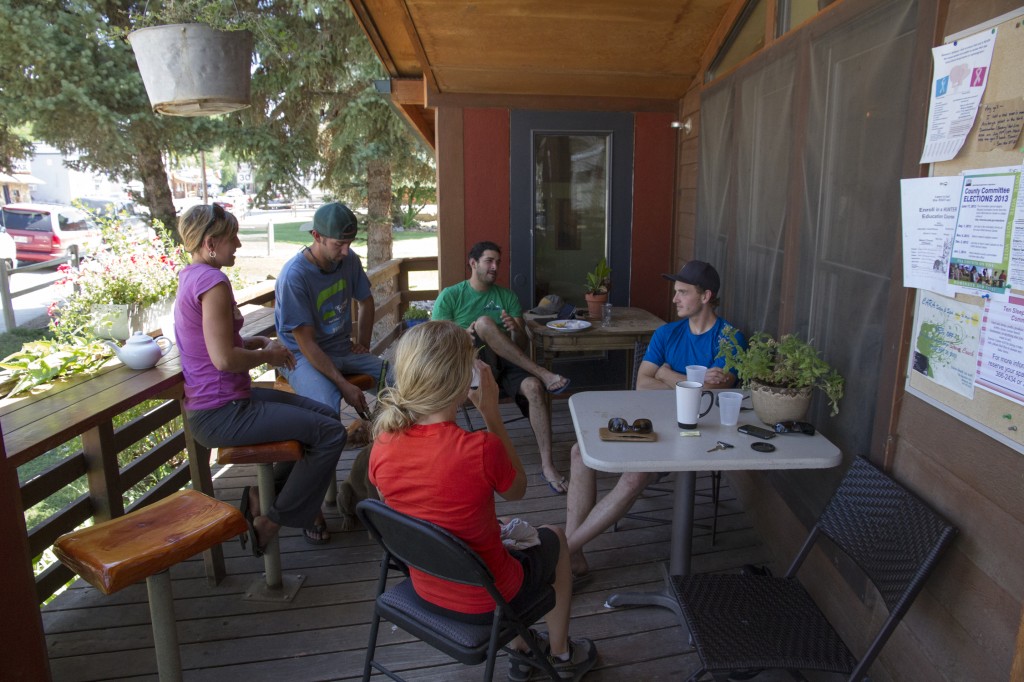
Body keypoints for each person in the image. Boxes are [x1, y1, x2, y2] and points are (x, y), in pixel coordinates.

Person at [369, 321, 598, 680]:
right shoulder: (478, 449)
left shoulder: (383, 442)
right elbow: (518, 490)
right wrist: (491, 413)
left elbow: (410, 511)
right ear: (463, 380)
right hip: (485, 598)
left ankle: (524, 647)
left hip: (425, 583)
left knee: (504, 528)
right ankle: (561, 654)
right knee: (556, 538)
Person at [175, 203, 347, 552]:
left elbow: (214, 344)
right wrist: (268, 354)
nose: (237, 244)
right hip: (222, 413)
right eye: (231, 238)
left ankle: (261, 497)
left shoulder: (191, 276)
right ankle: (273, 520)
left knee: (327, 417)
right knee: (331, 433)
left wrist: (249, 342)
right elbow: (223, 359)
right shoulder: (213, 282)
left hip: (225, 404)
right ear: (210, 243)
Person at [565, 260, 746, 578]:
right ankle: (573, 552)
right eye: (675, 291)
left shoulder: (731, 340)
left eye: (683, 292)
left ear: (705, 296)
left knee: (635, 477)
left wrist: (665, 373)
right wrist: (685, 381)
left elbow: (712, 396)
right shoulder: (667, 332)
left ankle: (563, 552)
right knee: (580, 452)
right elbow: (643, 382)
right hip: (649, 422)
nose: (674, 299)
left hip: (697, 435)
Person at [433, 241, 571, 494]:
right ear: (473, 263)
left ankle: (547, 464)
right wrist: (464, 334)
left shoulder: (506, 296)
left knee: (533, 388)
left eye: (498, 261)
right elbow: (437, 341)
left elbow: (520, 344)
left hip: (507, 364)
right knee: (484, 323)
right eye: (489, 261)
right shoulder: (451, 296)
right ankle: (543, 371)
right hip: (471, 362)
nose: (495, 267)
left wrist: (514, 329)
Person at [275, 202, 386, 417]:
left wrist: (363, 344)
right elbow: (306, 344)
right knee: (327, 404)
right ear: (317, 236)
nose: (346, 251)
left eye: (350, 243)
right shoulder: (294, 277)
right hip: (300, 357)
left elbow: (366, 301)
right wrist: (343, 384)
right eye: (339, 244)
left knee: (402, 379)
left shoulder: (349, 259)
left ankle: (387, 439)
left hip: (342, 348)